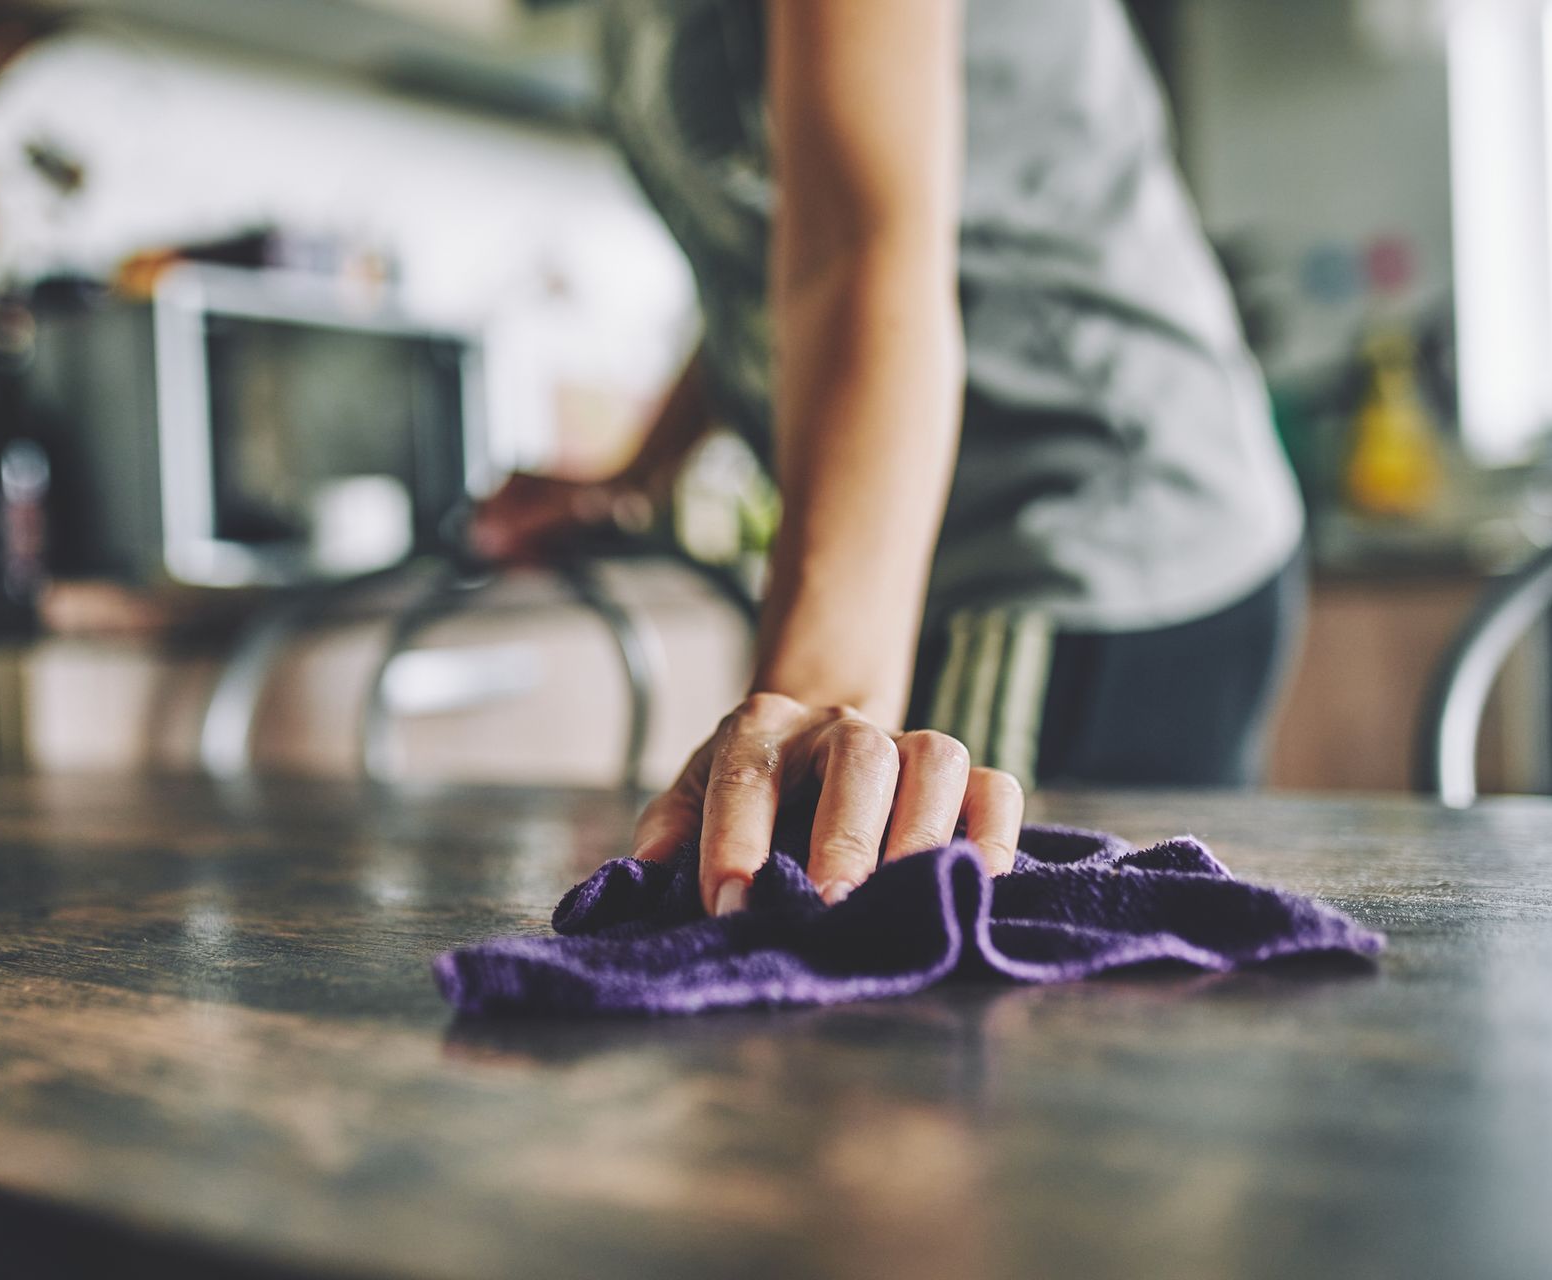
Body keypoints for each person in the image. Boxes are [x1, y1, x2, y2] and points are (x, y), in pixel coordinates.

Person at [472, 0, 1304, 919]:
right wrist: (638, 474)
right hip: (955, 547)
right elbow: (775, 272)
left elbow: (854, 251)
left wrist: (817, 712)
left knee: (927, 961)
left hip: (1085, 516)